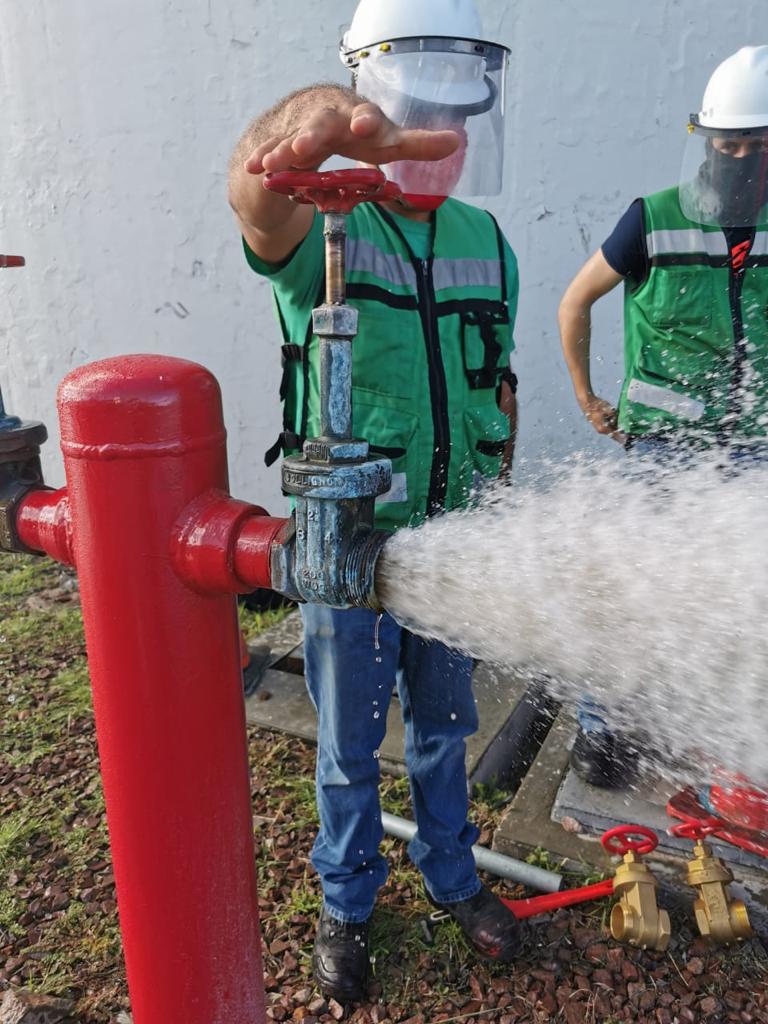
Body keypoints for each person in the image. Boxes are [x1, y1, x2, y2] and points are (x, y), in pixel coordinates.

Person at [228, 0, 521, 1003]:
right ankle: (347, 906)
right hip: (351, 549)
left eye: (464, 122)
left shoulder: (490, 238)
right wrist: (302, 126)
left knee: (445, 727)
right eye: (423, 116)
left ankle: (452, 877)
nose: (446, 144)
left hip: (453, 547)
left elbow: (496, 383)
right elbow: (254, 198)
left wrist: (506, 494)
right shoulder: (328, 222)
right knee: (350, 745)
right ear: (371, 103)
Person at [558, 45, 768, 788]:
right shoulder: (654, 217)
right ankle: (602, 728)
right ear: (705, 141)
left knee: (739, 600)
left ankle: (721, 733)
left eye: (754, 144)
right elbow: (575, 301)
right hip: (665, 448)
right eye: (726, 143)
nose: (738, 156)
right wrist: (588, 398)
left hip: (755, 452)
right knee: (634, 586)